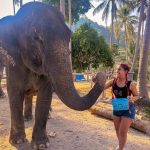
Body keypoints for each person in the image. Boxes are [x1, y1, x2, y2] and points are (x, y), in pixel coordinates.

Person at [93, 64, 139, 150]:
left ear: (125, 72)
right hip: (117, 108)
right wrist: (96, 81)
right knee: (117, 130)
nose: (117, 71)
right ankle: (122, 146)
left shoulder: (130, 84)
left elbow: (137, 95)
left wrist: (131, 98)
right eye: (117, 70)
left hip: (128, 110)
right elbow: (102, 88)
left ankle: (120, 148)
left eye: (119, 70)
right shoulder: (113, 82)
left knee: (122, 131)